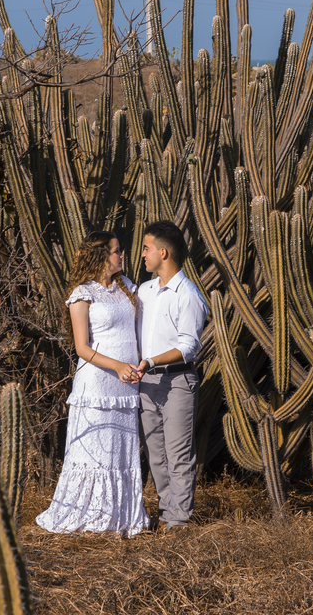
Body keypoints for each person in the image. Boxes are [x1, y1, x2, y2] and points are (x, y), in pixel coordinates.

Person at [36, 231, 149, 536]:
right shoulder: (82, 294)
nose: (121, 255)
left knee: (118, 450)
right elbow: (82, 348)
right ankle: (90, 516)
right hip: (98, 384)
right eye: (116, 251)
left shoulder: (128, 287)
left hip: (126, 385)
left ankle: (118, 517)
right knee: (95, 451)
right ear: (101, 256)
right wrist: (118, 366)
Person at [135, 220, 208, 530]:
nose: (142, 254)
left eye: (147, 248)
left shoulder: (188, 295)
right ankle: (167, 513)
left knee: (178, 454)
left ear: (163, 253)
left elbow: (189, 346)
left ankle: (177, 523)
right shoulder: (144, 291)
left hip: (177, 381)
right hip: (146, 381)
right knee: (156, 454)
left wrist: (150, 361)